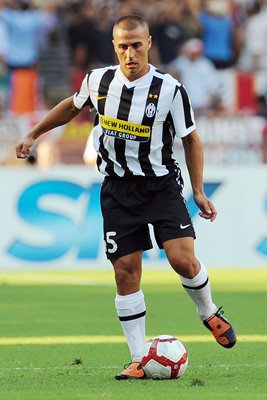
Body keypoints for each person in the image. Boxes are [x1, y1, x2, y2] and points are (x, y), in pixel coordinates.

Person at [16, 14, 237, 380]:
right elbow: (72, 106)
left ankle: (208, 311)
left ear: (149, 43)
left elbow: (191, 139)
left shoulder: (169, 89)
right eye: (123, 46)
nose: (130, 53)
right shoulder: (98, 80)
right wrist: (34, 133)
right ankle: (138, 357)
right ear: (114, 47)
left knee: (183, 260)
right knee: (125, 272)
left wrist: (197, 191)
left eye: (137, 45)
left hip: (161, 185)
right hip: (117, 190)